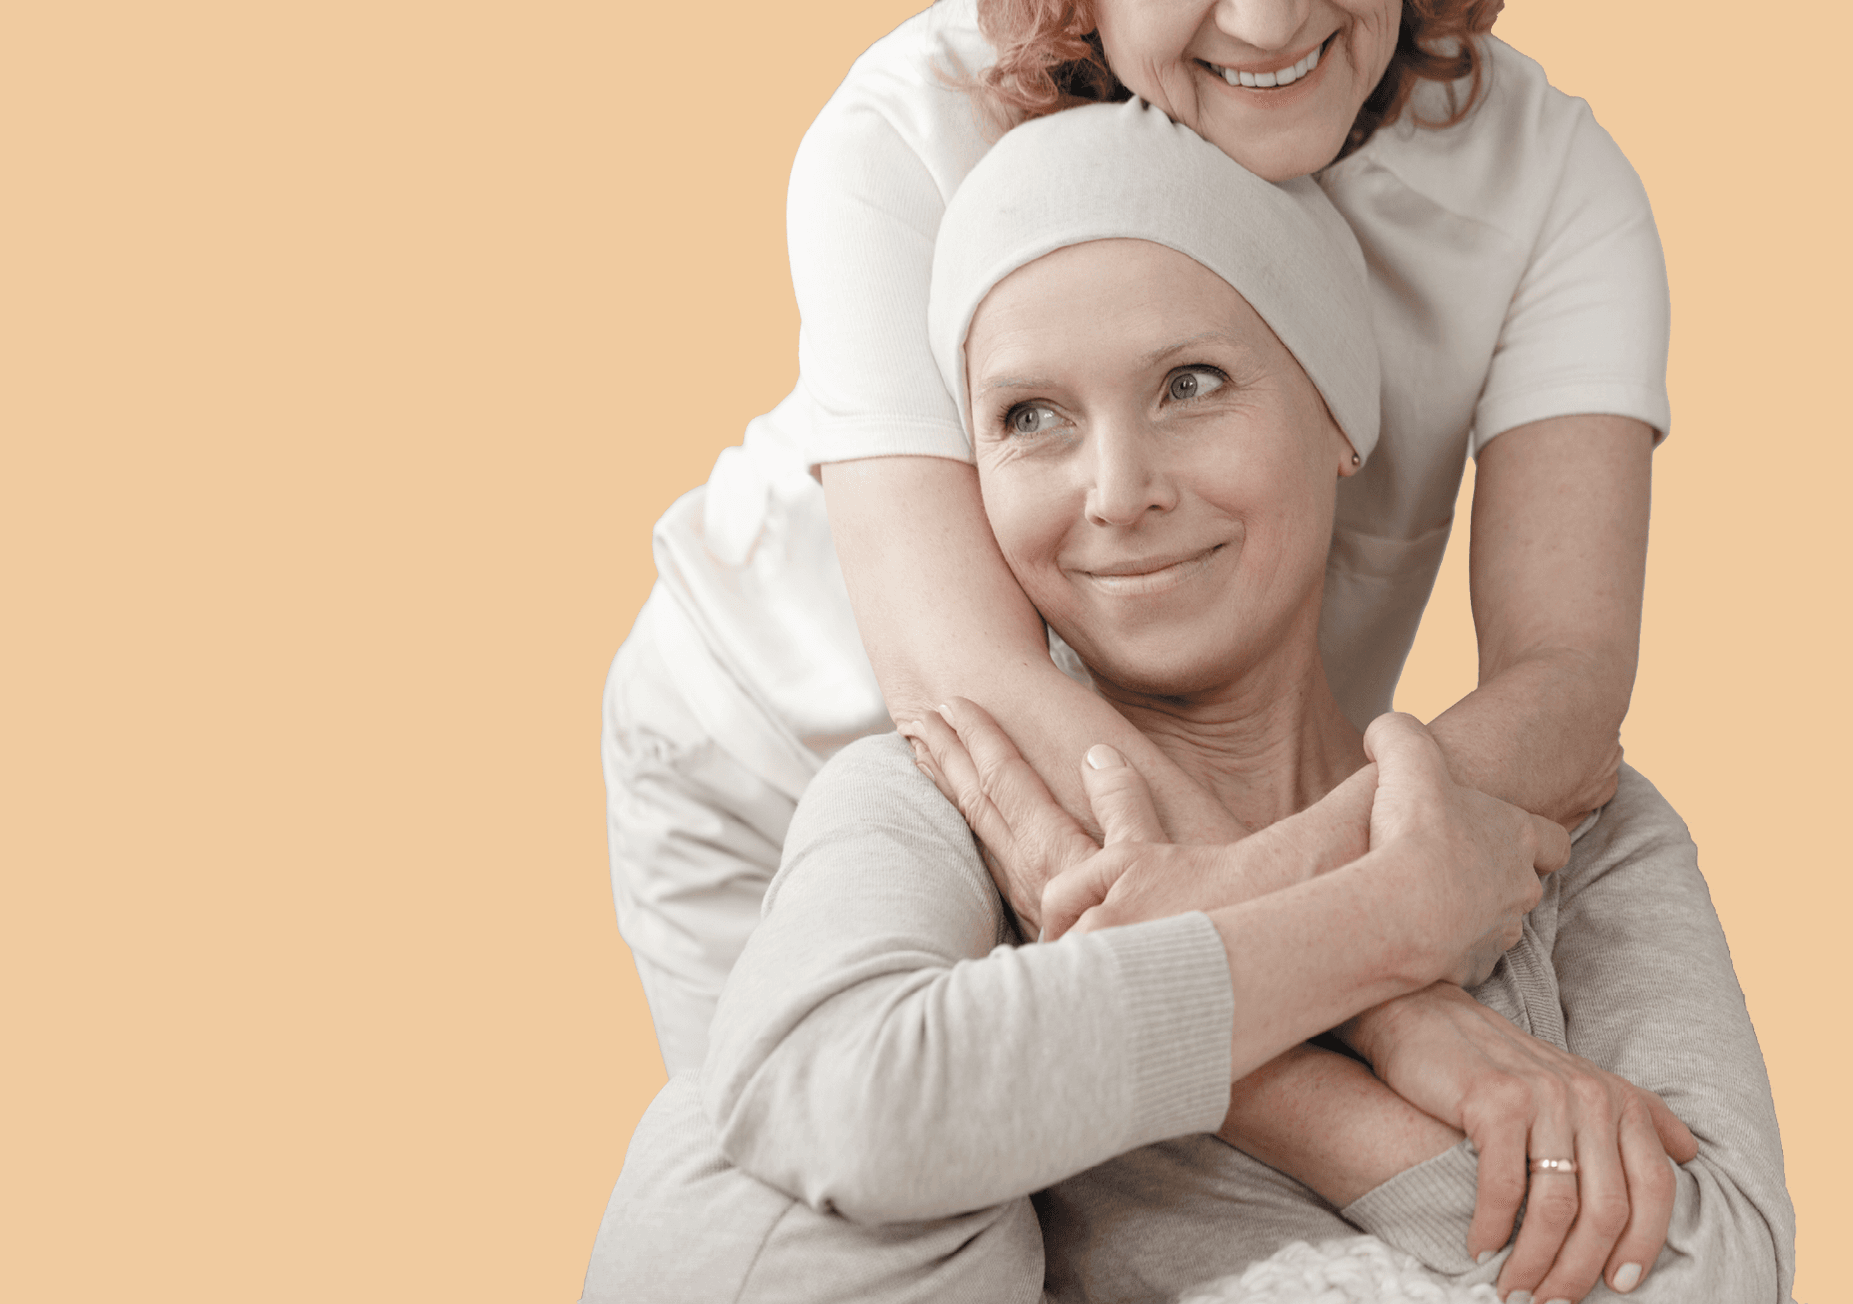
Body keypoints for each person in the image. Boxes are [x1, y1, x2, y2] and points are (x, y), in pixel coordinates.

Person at [584, 103, 1792, 1304]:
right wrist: (1378, 942)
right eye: (1029, 418)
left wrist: (1215, 1042)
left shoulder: (1584, 824)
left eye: (1191, 383)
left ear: (1339, 421)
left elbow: (1719, 1270)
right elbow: (829, 1100)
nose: (1116, 491)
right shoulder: (945, 795)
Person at [604, 0, 1669, 1079]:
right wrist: (1382, 964)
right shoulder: (907, 129)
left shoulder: (1552, 185)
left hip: (1182, 813)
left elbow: (1568, 672)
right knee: (865, 1196)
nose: (1269, 20)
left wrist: (1281, 897)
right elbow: (968, 688)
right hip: (794, 754)